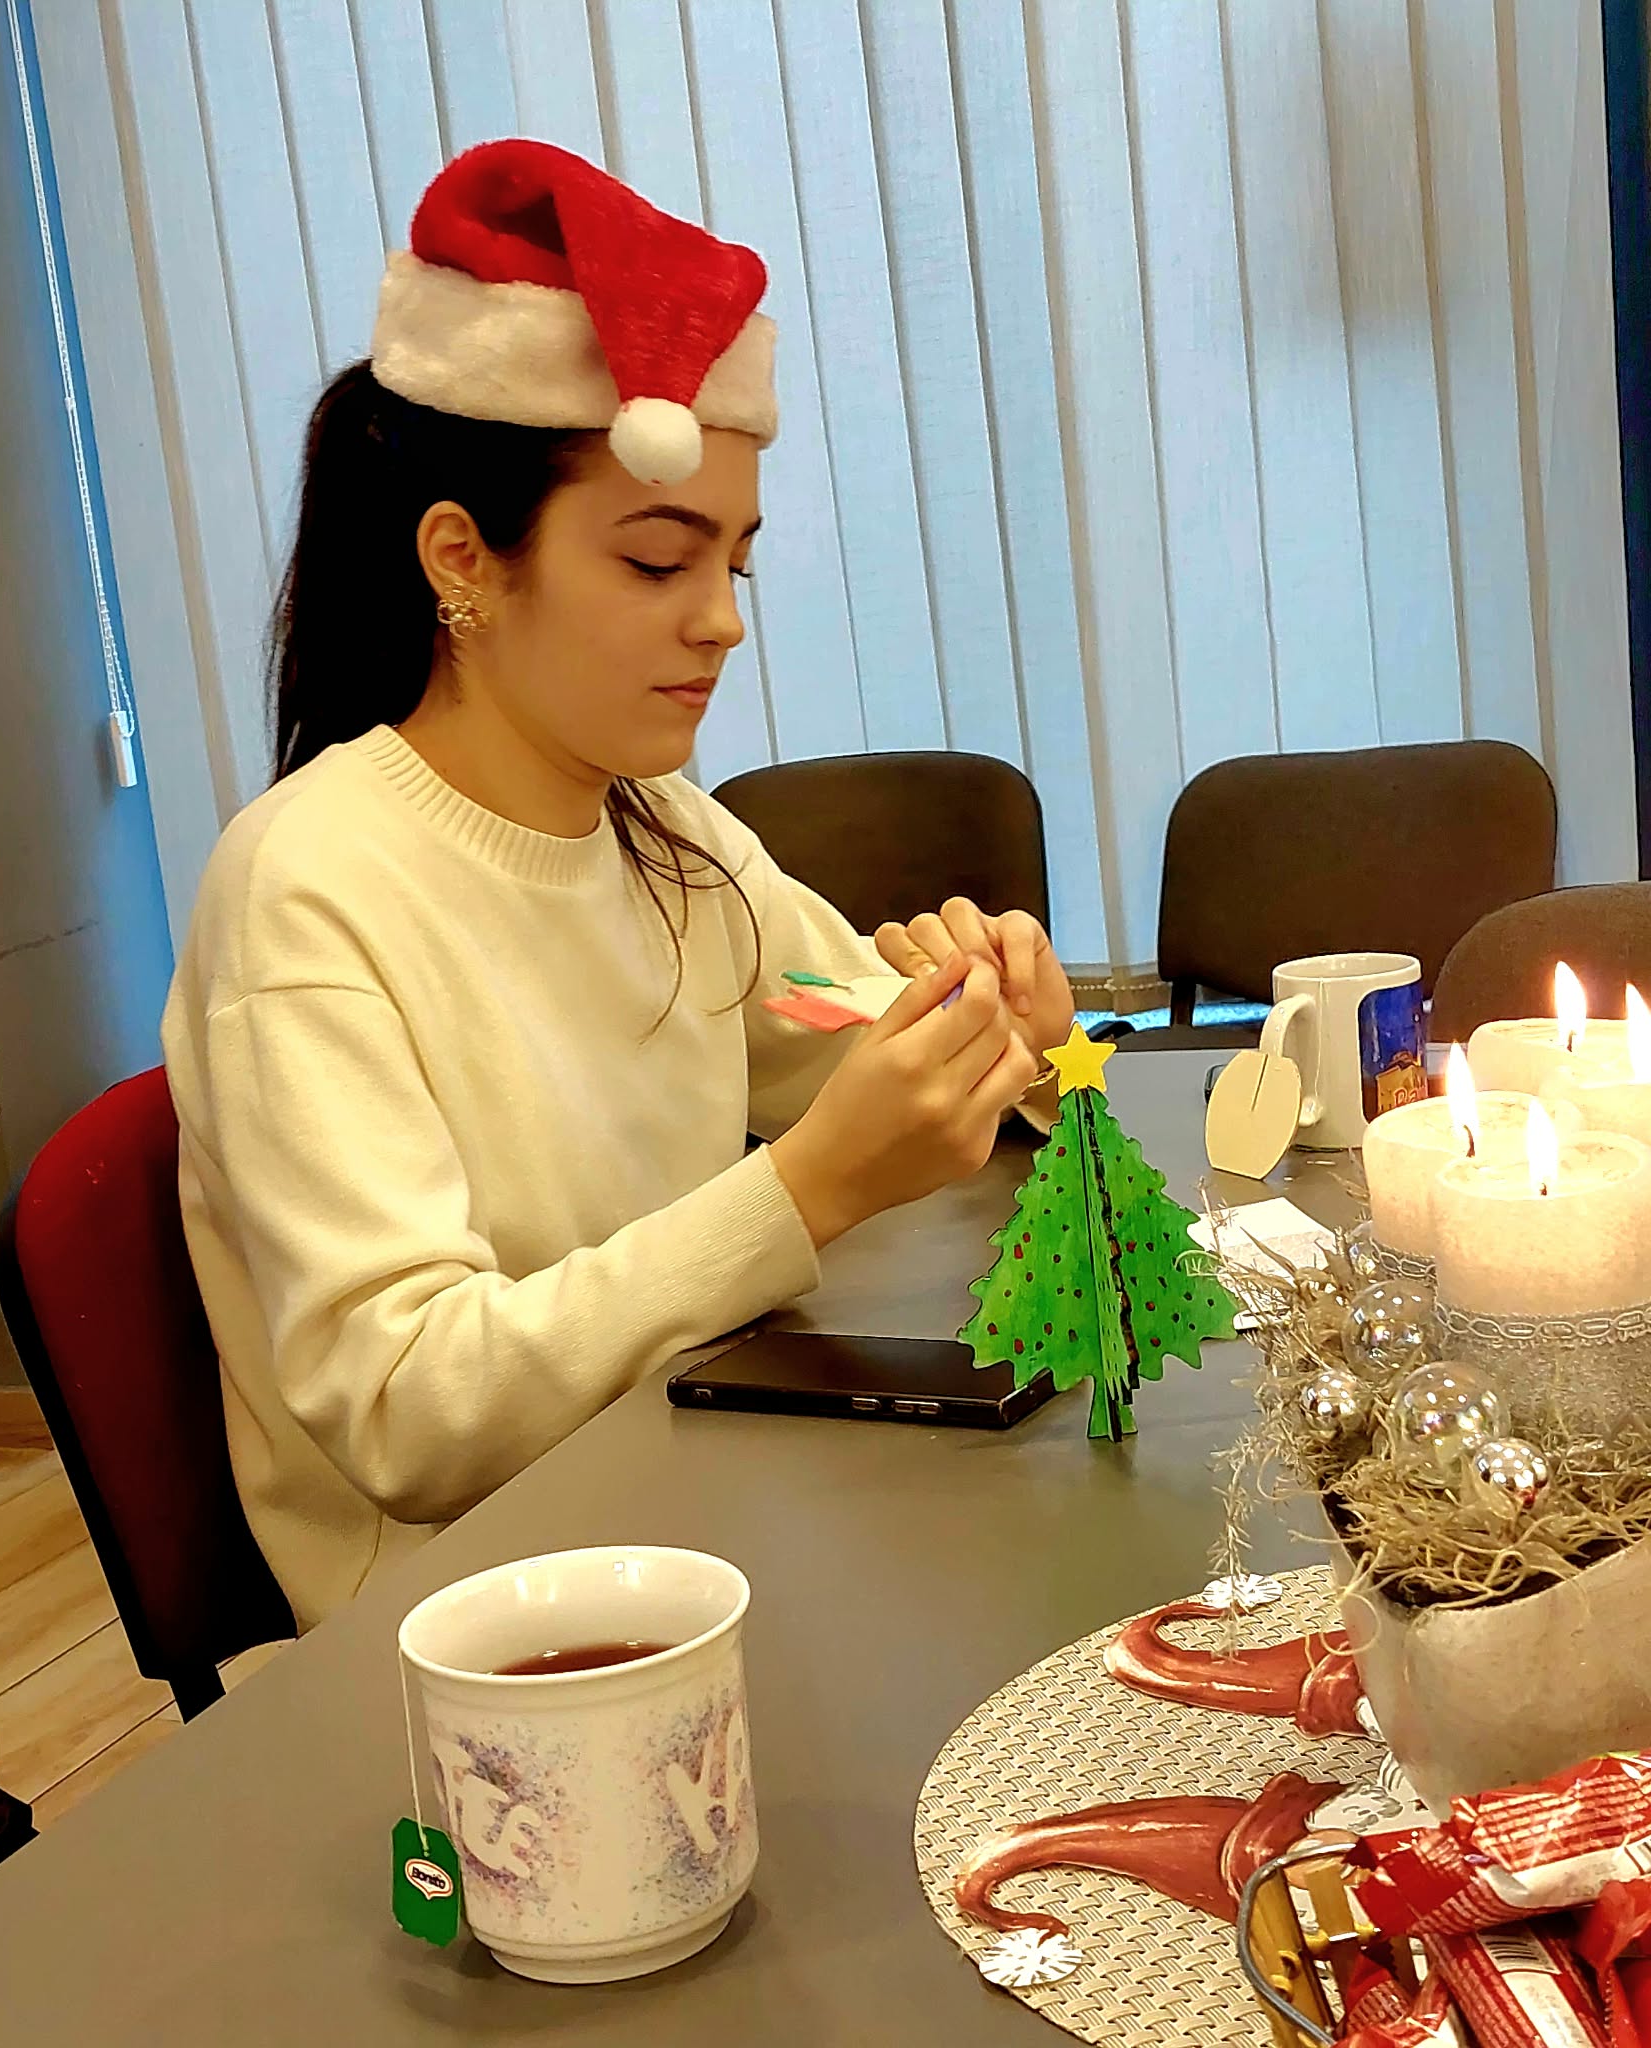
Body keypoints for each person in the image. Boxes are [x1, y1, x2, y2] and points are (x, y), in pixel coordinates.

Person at [163, 141, 1074, 1628]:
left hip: (702, 1497)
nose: (721, 625)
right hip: (482, 1625)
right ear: (461, 562)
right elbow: (408, 1410)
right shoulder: (307, 892)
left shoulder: (665, 834)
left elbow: (849, 1032)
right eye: (659, 563)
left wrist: (1001, 1033)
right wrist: (808, 1186)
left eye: (738, 568)